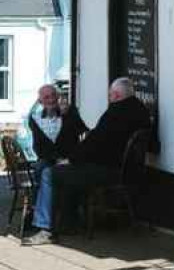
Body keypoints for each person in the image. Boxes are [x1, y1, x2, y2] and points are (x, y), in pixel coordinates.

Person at [23, 78, 151, 245]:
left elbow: (94, 140)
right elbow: (95, 139)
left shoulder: (115, 113)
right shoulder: (140, 110)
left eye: (110, 94)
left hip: (109, 170)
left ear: (117, 95)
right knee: (49, 169)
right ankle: (68, 221)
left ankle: (45, 228)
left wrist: (71, 158)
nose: (109, 97)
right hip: (127, 168)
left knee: (50, 174)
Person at [21, 85, 87, 244]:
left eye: (53, 96)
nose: (51, 100)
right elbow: (40, 146)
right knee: (41, 169)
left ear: (58, 97)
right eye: (46, 98)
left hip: (70, 158)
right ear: (40, 101)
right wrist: (55, 159)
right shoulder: (35, 117)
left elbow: (82, 131)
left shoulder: (69, 112)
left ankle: (50, 223)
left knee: (49, 173)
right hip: (49, 158)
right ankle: (42, 216)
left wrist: (68, 115)